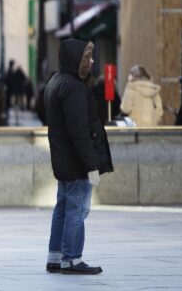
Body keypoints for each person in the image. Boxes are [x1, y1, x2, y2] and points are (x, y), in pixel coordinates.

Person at [43, 39, 113, 275]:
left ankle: (56, 256)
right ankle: (71, 258)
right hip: (76, 163)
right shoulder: (73, 87)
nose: (92, 61)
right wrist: (91, 165)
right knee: (77, 209)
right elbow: (80, 131)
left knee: (62, 207)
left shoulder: (55, 82)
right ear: (76, 59)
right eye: (88, 57)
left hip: (64, 161)